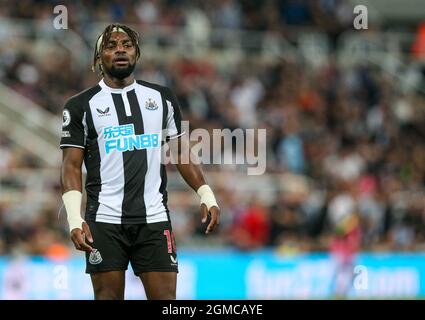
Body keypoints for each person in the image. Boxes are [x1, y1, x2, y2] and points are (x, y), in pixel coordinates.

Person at [59, 23, 220, 300]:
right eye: (111, 46)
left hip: (154, 218)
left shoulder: (162, 98)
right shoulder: (80, 106)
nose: (120, 50)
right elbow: (71, 165)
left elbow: (181, 152)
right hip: (104, 221)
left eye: (127, 45)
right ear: (98, 59)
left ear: (137, 53)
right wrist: (74, 218)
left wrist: (206, 193)